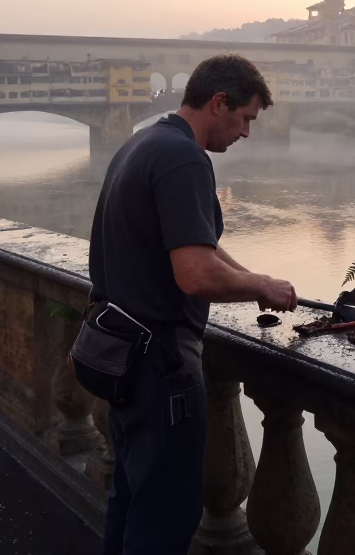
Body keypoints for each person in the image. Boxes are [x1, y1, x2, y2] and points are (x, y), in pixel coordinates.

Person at [89, 54, 297, 555]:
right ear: (218, 102)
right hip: (159, 365)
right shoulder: (185, 159)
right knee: (167, 516)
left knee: (132, 497)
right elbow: (195, 273)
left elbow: (193, 244)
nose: (246, 132)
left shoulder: (142, 143)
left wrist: (251, 278)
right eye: (244, 118)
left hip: (116, 352)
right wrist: (261, 288)